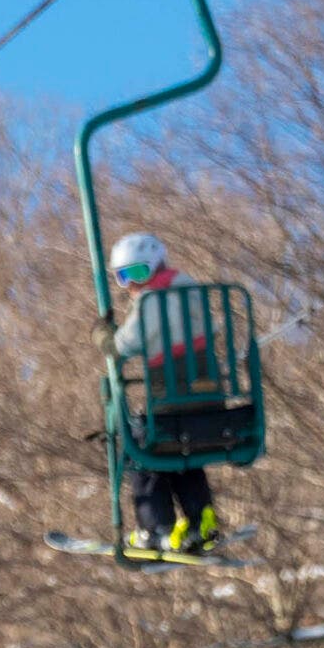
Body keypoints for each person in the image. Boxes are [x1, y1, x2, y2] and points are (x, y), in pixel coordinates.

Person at [110, 230, 219, 554]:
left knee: (142, 450)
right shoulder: (190, 291)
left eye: (137, 273)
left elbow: (124, 345)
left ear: (155, 267)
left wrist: (104, 336)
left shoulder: (153, 301)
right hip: (210, 406)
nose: (131, 283)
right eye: (122, 276)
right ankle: (202, 521)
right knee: (182, 453)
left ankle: (156, 528)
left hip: (175, 408)